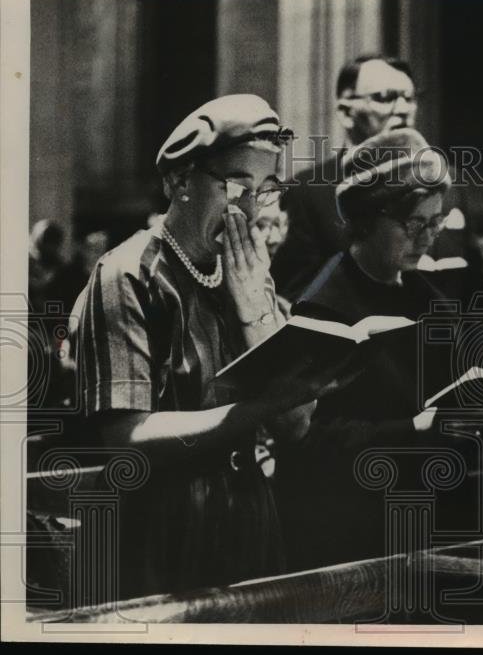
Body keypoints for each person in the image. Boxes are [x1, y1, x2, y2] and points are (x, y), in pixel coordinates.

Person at [71, 95, 325, 599]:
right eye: (235, 186)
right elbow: (126, 441)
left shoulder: (251, 274)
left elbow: (295, 426)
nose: (251, 210)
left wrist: (256, 312)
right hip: (157, 537)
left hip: (248, 523)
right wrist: (258, 407)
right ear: (179, 182)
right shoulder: (127, 275)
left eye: (266, 190)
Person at [276, 127, 465, 570]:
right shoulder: (322, 307)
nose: (428, 237)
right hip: (349, 535)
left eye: (436, 223)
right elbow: (308, 442)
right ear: (365, 219)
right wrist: (415, 430)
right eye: (415, 224)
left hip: (421, 519)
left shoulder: (426, 295)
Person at [270, 54, 418, 300]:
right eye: (385, 97)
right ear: (346, 112)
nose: (403, 109)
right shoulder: (306, 192)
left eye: (410, 98)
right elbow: (292, 299)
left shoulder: (449, 185)